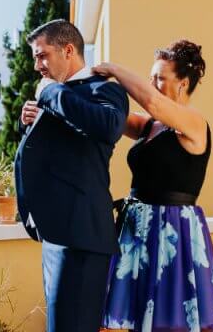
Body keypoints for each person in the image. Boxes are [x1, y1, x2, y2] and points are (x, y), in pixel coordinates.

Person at [93, 40, 213, 332]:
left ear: (183, 83)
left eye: (160, 78)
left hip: (171, 232)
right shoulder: (150, 127)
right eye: (151, 76)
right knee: (139, 318)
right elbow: (108, 119)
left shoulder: (194, 123)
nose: (152, 83)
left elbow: (152, 102)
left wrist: (114, 68)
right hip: (137, 228)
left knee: (169, 321)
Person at [14, 19, 129, 332]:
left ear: (68, 50)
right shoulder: (58, 95)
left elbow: (106, 126)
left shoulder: (102, 90)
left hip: (83, 234)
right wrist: (29, 125)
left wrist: (51, 94)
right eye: (35, 57)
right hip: (55, 235)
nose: (37, 65)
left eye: (43, 55)